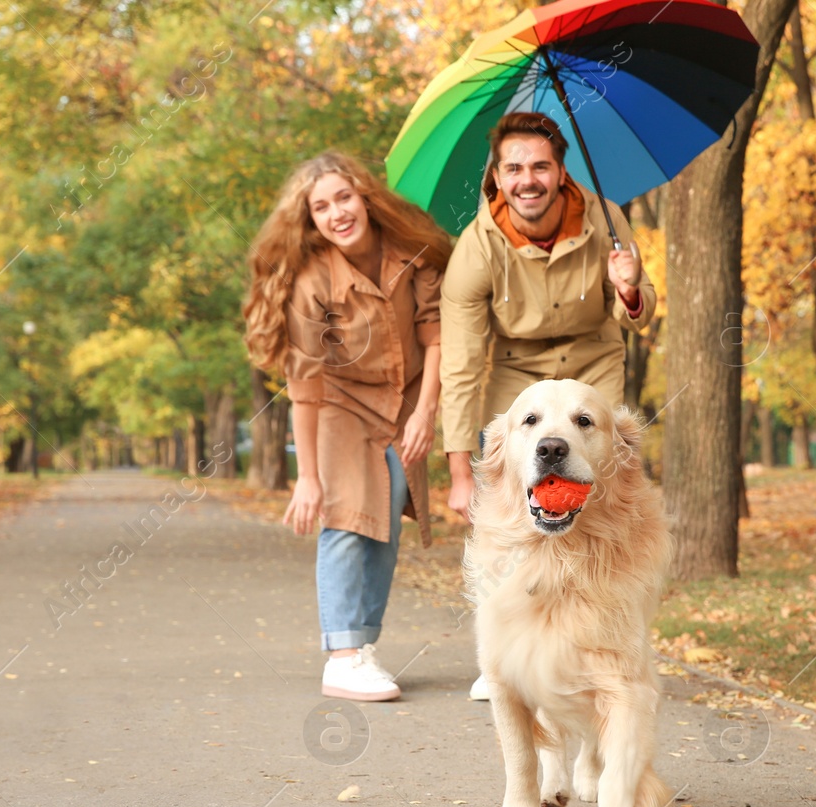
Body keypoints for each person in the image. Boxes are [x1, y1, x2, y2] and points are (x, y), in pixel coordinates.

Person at [440, 111, 658, 698]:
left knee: (611, 504)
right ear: (497, 176)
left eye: (540, 165)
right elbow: (460, 363)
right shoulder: (475, 249)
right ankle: (503, 657)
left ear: (561, 171)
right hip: (516, 378)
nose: (526, 179)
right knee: (508, 513)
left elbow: (638, 313)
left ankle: (604, 638)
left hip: (593, 370)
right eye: (513, 168)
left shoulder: (606, 220)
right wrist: (462, 472)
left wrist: (632, 287)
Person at [244, 152, 451, 702]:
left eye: (343, 198)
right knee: (346, 514)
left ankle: (362, 644)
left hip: (404, 400)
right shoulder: (312, 281)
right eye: (320, 207)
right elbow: (306, 385)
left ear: (364, 197)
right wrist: (307, 476)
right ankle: (341, 657)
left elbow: (435, 336)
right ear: (310, 220)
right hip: (339, 402)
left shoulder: (412, 253)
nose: (336, 213)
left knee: (385, 516)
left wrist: (426, 412)